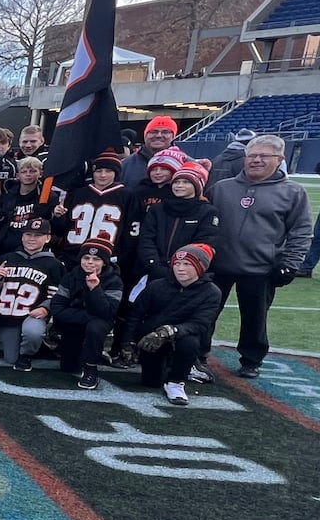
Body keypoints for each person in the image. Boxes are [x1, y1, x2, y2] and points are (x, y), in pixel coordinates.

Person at [206, 134, 313, 378]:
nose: (256, 160)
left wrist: (290, 264)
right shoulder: (222, 188)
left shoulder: (293, 192)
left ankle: (251, 359)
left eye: (264, 156)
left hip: (261, 267)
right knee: (206, 312)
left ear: (279, 159)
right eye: (252, 156)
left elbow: (301, 231)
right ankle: (198, 355)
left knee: (255, 318)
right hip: (218, 264)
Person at [128, 243, 222, 406]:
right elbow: (135, 314)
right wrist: (128, 342)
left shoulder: (212, 292)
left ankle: (176, 381)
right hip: (152, 336)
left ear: (201, 267)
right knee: (151, 382)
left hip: (181, 336)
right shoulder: (156, 285)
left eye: (187, 264)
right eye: (177, 263)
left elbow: (201, 323)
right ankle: (163, 365)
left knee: (190, 343)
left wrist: (173, 330)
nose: (180, 268)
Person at [0, 216, 63, 371]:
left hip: (32, 315)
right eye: (28, 234)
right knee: (10, 359)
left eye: (37, 235)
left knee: (32, 333)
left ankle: (28, 353)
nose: (31, 239)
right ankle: (37, 345)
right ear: (22, 236)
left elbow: (56, 295)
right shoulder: (7, 258)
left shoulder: (54, 264)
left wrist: (45, 309)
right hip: (7, 315)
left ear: (47, 238)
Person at [50, 238, 123, 389]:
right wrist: (85, 316)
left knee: (95, 328)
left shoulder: (114, 281)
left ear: (105, 262)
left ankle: (91, 368)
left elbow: (107, 312)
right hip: (75, 321)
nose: (90, 262)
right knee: (68, 367)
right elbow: (57, 308)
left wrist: (95, 289)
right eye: (86, 258)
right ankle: (86, 352)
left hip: (97, 323)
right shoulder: (70, 277)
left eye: (96, 259)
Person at [119, 116, 178, 188]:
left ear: (173, 136)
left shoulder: (185, 164)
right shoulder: (124, 165)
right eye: (153, 132)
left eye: (165, 132)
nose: (158, 135)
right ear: (145, 135)